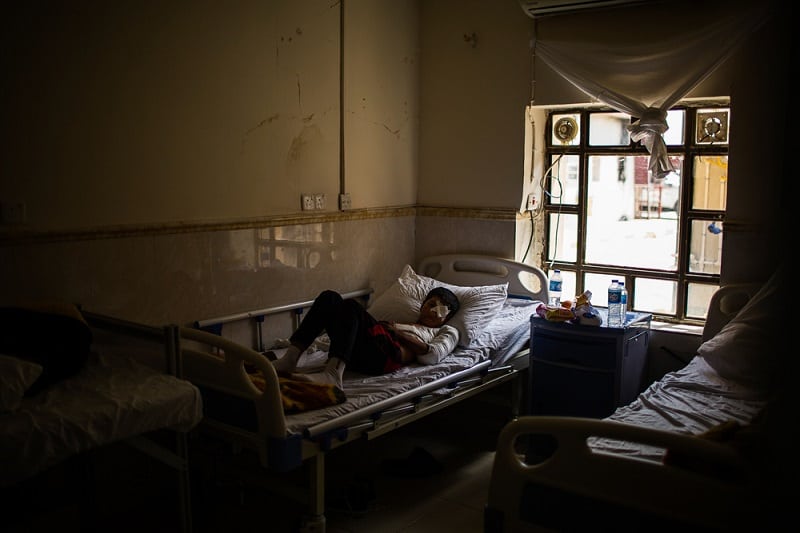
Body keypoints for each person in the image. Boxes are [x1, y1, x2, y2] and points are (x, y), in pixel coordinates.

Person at [268, 287, 461, 389]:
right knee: (330, 298)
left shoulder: (446, 332)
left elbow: (434, 355)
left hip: (386, 359)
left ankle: (333, 375)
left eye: (441, 309)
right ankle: (290, 359)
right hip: (362, 352)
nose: (434, 311)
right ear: (422, 306)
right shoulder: (403, 321)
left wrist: (396, 332)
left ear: (448, 316)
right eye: (431, 304)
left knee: (351, 306)